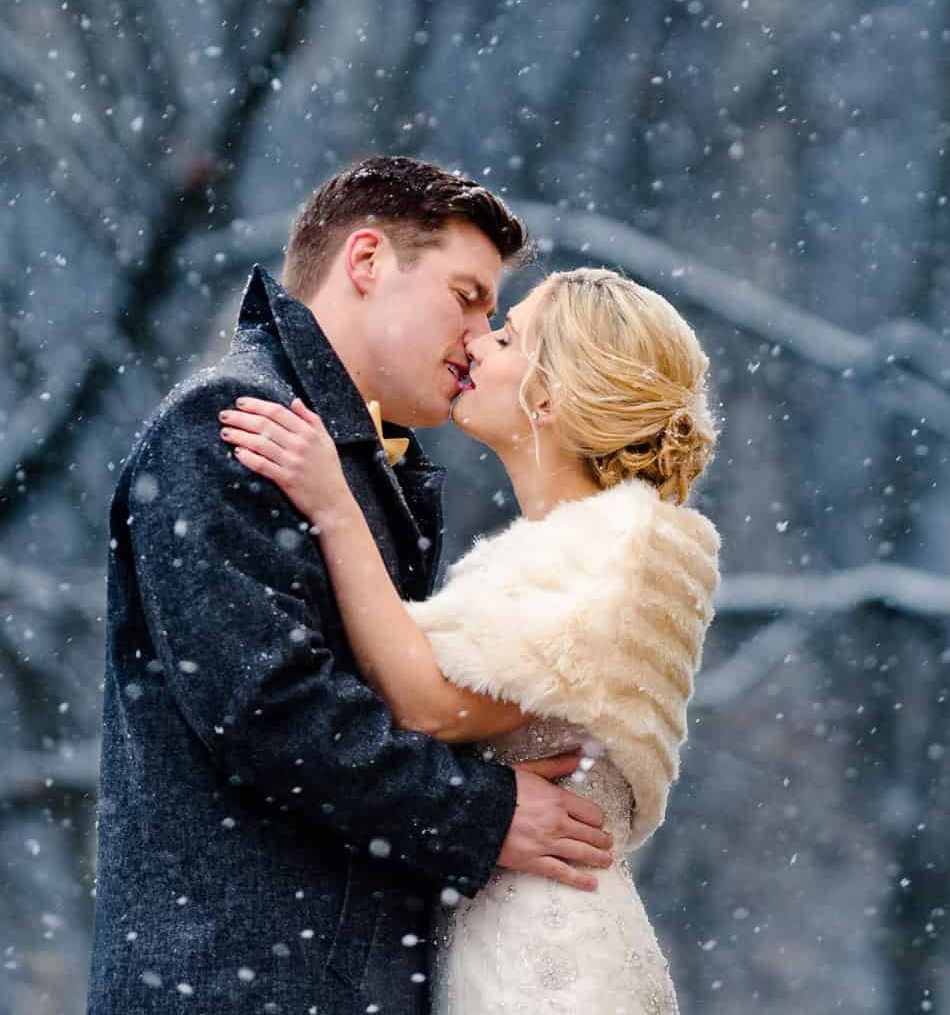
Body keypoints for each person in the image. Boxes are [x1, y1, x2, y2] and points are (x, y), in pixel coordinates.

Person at [88, 157, 615, 1015]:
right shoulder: (231, 424)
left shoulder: (360, 457)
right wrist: (481, 815)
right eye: (466, 297)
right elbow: (270, 710)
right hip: (240, 988)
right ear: (366, 261)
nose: (480, 336)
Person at [219, 263, 721, 1015]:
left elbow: (426, 705)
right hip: (504, 950)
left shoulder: (626, 545)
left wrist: (334, 504)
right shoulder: (561, 549)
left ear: (551, 395)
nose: (478, 344)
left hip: (550, 969)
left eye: (508, 337)